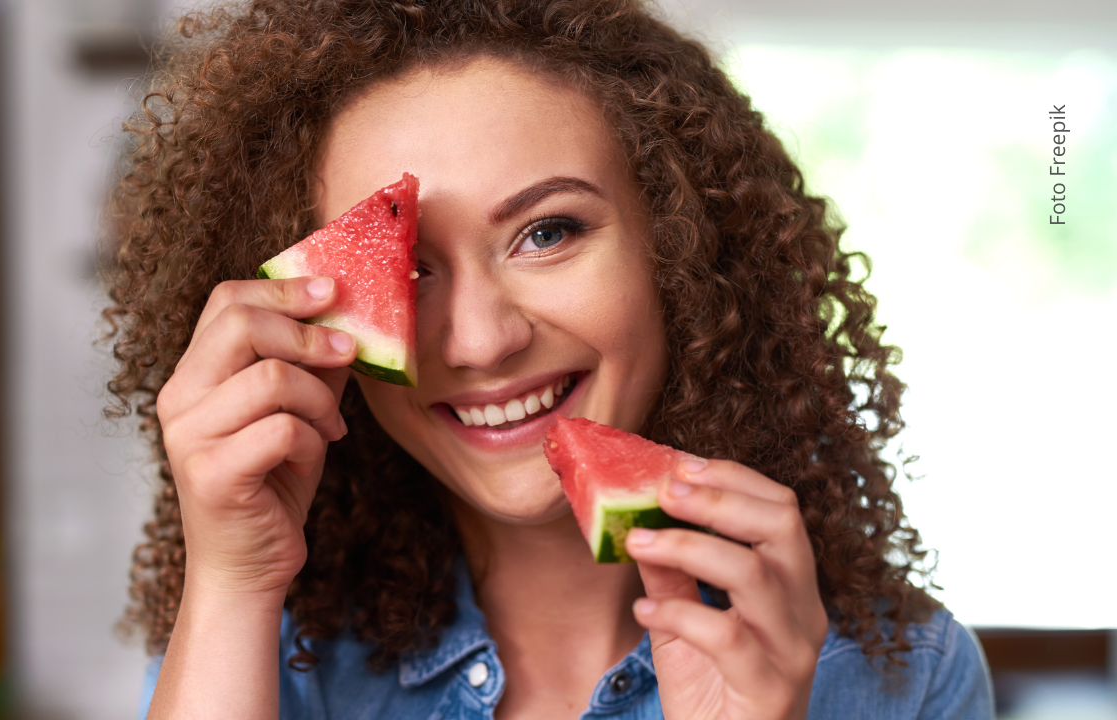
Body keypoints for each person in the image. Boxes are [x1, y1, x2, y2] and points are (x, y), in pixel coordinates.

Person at [102, 1, 994, 718]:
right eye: (405, 268)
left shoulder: (904, 678)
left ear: (677, 254)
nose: (482, 340)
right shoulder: (266, 651)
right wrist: (230, 586)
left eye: (548, 232)